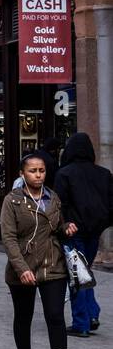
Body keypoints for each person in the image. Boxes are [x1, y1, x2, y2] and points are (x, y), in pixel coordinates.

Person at [2, 152, 79, 349]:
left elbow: (55, 227)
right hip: (23, 269)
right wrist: (21, 268)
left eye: (42, 170)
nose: (38, 175)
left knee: (55, 317)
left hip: (52, 266)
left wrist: (66, 228)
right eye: (33, 171)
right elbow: (9, 238)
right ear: (22, 174)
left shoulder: (52, 198)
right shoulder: (12, 201)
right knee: (23, 318)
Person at [56, 132, 113, 337]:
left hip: (73, 231)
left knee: (77, 275)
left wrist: (64, 225)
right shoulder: (104, 174)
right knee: (84, 272)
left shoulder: (65, 173)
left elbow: (59, 205)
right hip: (94, 231)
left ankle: (82, 322)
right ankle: (91, 315)